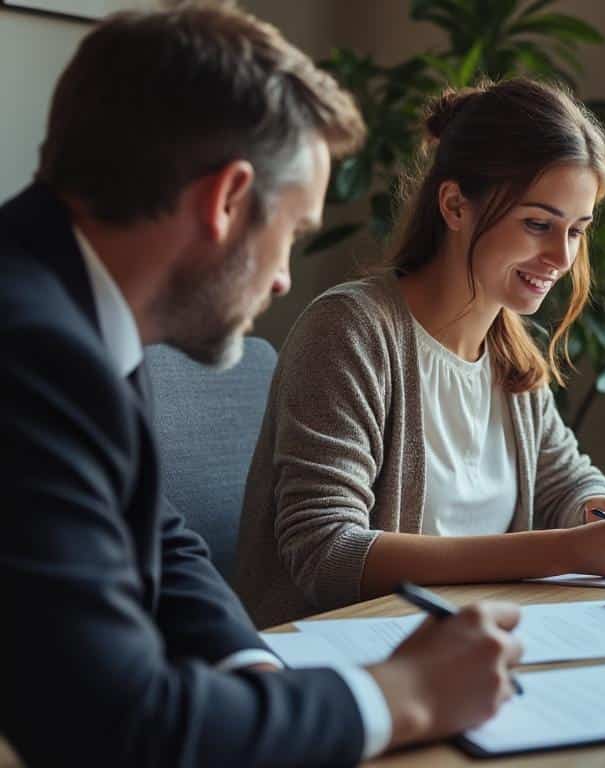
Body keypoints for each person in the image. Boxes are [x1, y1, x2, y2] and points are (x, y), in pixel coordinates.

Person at [0, 7, 524, 765]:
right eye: (294, 232)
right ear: (227, 200)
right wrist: (403, 694)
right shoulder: (33, 353)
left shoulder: (69, 307)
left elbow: (153, 531)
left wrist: (253, 667)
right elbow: (117, 730)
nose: (282, 279)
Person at [237, 78, 605, 628]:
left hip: (470, 644)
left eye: (576, 231)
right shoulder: (350, 330)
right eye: (538, 224)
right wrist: (561, 550)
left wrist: (602, 511)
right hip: (346, 649)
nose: (561, 258)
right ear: (454, 206)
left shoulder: (510, 349)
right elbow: (327, 551)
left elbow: (564, 480)